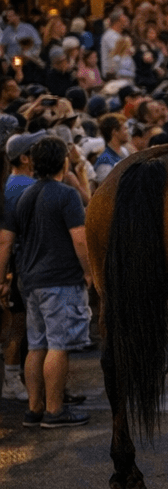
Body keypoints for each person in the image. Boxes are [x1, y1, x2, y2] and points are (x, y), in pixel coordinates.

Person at [13, 136, 91, 428]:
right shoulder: (66, 195)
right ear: (63, 162)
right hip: (60, 279)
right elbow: (80, 239)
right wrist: (89, 271)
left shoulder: (26, 195)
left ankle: (34, 408)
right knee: (59, 345)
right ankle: (55, 411)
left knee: (37, 345)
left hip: (31, 279)